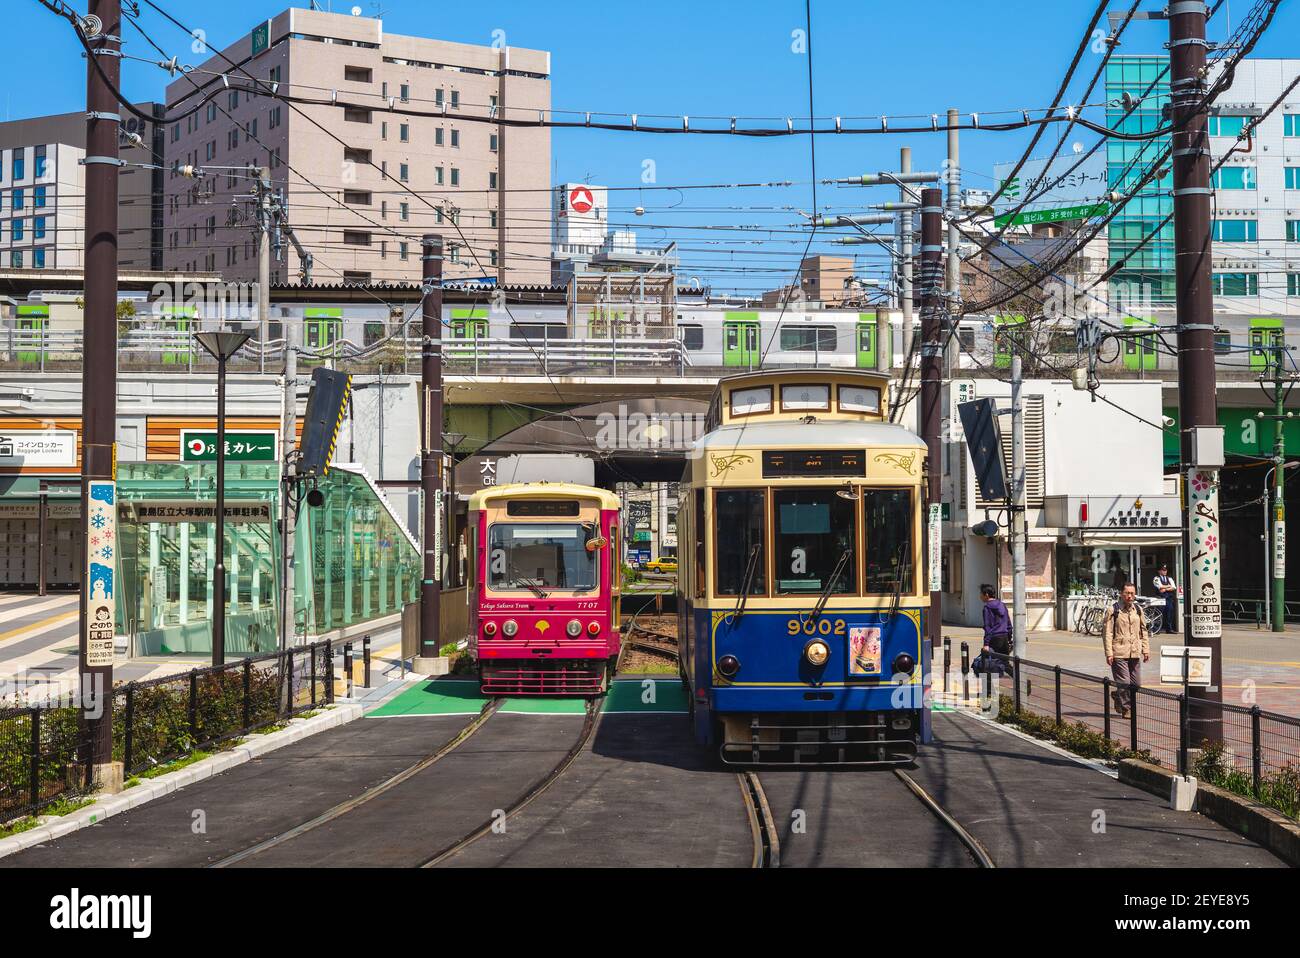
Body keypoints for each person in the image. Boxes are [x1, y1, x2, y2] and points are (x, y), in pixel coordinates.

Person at [1103, 582, 1150, 718]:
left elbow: (1143, 631)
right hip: (1119, 652)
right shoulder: (1114, 610)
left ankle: (1118, 695)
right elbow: (1107, 633)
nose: (1130, 596)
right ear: (1122, 594)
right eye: (1127, 593)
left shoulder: (1138, 610)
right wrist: (1109, 653)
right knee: (1124, 682)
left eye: (1132, 593)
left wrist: (1145, 650)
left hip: (1135, 652)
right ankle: (1126, 709)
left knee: (1136, 684)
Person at [974, 583, 1011, 675]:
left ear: (986, 594)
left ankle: (991, 688)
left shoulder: (987, 607)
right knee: (1004, 663)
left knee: (990, 664)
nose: (980, 596)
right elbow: (1009, 624)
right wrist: (1009, 638)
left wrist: (986, 643)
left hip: (994, 638)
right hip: (1004, 637)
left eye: (981, 594)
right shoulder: (1002, 605)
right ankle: (1021, 682)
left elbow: (988, 626)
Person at [1152, 563, 1178, 633]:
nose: (1165, 571)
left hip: (1169, 598)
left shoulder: (1169, 578)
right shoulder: (1156, 578)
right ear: (1159, 571)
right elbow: (1159, 587)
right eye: (1163, 570)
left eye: (1165, 570)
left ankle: (1169, 629)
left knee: (1169, 613)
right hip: (1160, 597)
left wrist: (1165, 589)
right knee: (1159, 614)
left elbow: (1174, 587)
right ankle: (1156, 629)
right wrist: (1168, 586)